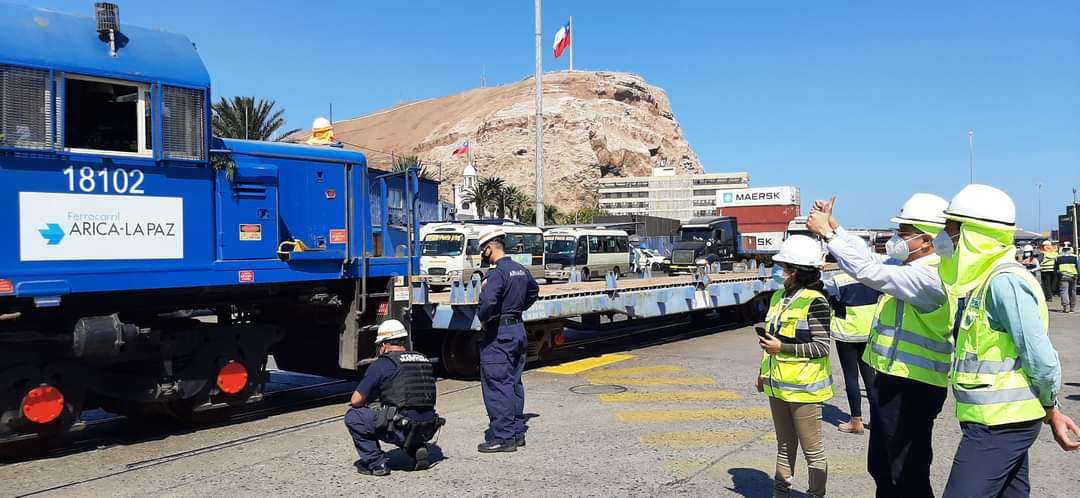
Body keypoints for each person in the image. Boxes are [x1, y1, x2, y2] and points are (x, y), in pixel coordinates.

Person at [932, 184, 1080, 497]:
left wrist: (1051, 407)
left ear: (977, 233)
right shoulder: (982, 280)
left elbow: (1041, 359)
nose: (944, 237)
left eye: (951, 228)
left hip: (1002, 424)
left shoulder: (1005, 283)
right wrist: (1050, 412)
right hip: (992, 419)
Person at [807, 193, 952, 498]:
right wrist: (837, 227)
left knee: (907, 472)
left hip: (914, 384)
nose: (897, 238)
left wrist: (829, 235)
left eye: (904, 232)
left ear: (926, 240)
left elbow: (869, 271)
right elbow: (871, 259)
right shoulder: (908, 263)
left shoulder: (929, 275)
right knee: (883, 466)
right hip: (893, 380)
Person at [756, 234, 834, 498]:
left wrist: (782, 348)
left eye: (785, 268)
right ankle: (780, 494)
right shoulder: (778, 296)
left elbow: (821, 347)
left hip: (805, 390)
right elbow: (771, 338)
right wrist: (762, 373)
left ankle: (815, 494)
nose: (780, 272)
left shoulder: (817, 302)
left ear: (798, 272)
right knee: (784, 447)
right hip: (778, 387)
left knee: (813, 451)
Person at [344, 320, 444, 476]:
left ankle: (377, 463)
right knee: (406, 411)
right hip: (428, 426)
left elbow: (356, 400)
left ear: (384, 345)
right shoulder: (423, 359)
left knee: (354, 416)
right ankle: (416, 447)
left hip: (402, 427)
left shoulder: (382, 364)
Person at [475, 227, 539, 453]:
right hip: (518, 330)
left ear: (490, 248)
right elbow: (534, 292)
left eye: (483, 250)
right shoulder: (520, 269)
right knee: (513, 382)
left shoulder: (496, 273)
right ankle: (516, 432)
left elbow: (488, 303)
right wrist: (515, 310)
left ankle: (503, 437)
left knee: (497, 385)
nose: (482, 254)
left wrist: (483, 317)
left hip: (499, 335)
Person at [823, 271, 881, 434]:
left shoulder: (837, 280)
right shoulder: (873, 276)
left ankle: (856, 421)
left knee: (851, 376)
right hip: (868, 331)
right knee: (871, 377)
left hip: (846, 333)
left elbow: (826, 295)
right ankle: (878, 420)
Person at [1055, 245, 1077, 313]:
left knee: (1064, 292)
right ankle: (1072, 307)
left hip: (1063, 276)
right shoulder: (1075, 257)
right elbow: (1078, 267)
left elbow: (1056, 269)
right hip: (1073, 276)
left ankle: (1066, 307)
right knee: (1072, 292)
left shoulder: (1058, 258)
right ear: (1070, 249)